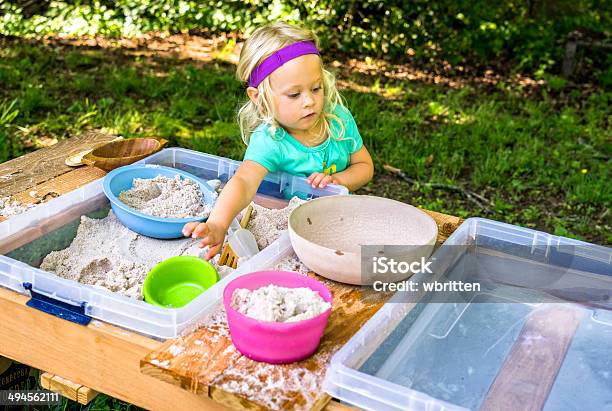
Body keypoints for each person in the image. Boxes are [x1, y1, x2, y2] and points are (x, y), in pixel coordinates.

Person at [183, 22, 374, 259]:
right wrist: (218, 224)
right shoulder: (270, 139)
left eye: (316, 88)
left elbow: (365, 167)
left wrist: (338, 180)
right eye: (294, 94)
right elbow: (243, 181)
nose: (309, 101)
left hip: (334, 220)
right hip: (285, 234)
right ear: (259, 98)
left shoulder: (338, 120)